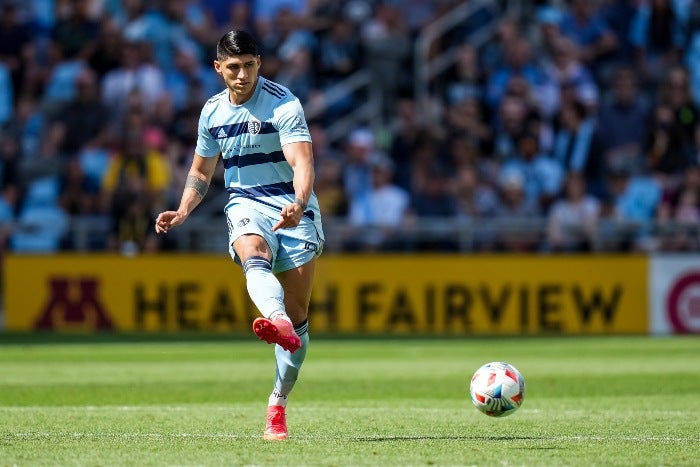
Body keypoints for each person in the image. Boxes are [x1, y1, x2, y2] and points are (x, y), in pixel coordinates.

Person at [154, 30, 324, 441]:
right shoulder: (211, 112)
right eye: (233, 67)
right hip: (246, 204)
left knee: (300, 318)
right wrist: (183, 209)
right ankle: (276, 318)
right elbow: (200, 171)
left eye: (249, 65)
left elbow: (301, 161)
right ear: (218, 68)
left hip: (292, 207)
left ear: (259, 63)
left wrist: (299, 202)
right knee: (253, 254)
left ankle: (277, 406)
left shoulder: (284, 103)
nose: (242, 74)